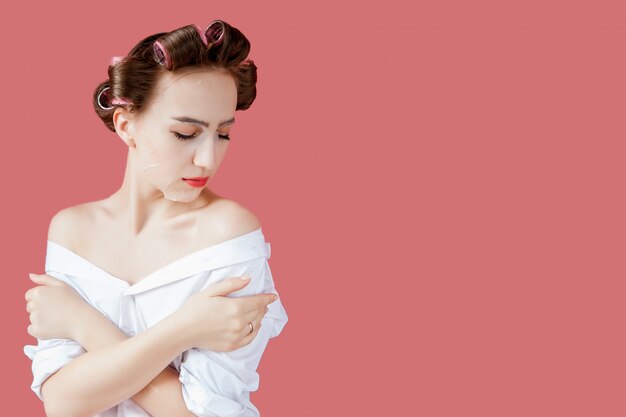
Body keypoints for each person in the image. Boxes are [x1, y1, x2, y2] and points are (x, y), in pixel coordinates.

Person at [23, 20, 288, 417]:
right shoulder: (71, 230)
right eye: (185, 133)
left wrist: (83, 322)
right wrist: (187, 328)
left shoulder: (228, 232)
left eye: (224, 134)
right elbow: (61, 402)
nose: (208, 159)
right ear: (126, 124)